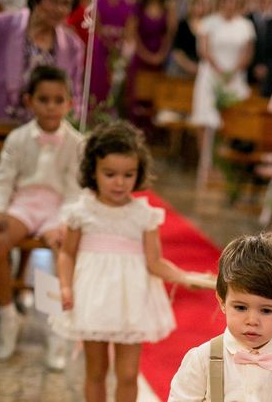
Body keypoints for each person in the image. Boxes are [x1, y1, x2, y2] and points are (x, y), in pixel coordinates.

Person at [51, 120, 190, 402]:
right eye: (110, 174)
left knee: (128, 374)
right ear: (93, 171)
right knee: (96, 370)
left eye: (128, 174)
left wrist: (186, 278)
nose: (119, 182)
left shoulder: (144, 215)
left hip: (131, 300)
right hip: (92, 298)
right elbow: (67, 253)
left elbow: (155, 262)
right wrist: (65, 287)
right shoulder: (82, 211)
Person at [0, 65, 83, 366]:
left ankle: (57, 330)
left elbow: (75, 192)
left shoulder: (77, 143)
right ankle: (7, 316)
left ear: (70, 102)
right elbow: (3, 179)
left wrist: (63, 223)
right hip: (24, 205)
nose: (51, 107)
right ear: (29, 101)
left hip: (58, 208)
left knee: (61, 252)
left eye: (58, 100)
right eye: (44, 99)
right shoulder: (17, 138)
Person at [169, 232, 272, 401]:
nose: (252, 321)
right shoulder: (201, 360)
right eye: (241, 307)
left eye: (266, 310)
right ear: (222, 301)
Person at [191, 0, 255, 129]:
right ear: (221, 1)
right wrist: (218, 70)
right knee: (205, 119)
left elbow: (248, 54)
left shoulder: (246, 25)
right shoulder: (208, 22)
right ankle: (205, 151)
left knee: (232, 120)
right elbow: (204, 51)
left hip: (234, 75)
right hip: (211, 75)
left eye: (234, 1)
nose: (230, 4)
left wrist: (232, 72)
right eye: (227, 0)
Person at [128, 0, 177, 119]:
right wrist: (146, 55)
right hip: (141, 55)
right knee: (137, 96)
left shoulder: (168, 8)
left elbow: (170, 34)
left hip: (159, 57)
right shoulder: (139, 7)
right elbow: (133, 34)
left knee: (155, 98)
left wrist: (161, 55)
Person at [89, 0, 134, 105]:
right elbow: (96, 25)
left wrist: (119, 43)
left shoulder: (128, 3)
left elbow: (130, 28)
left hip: (119, 47)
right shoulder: (100, 1)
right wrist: (106, 38)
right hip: (102, 46)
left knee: (116, 80)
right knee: (99, 81)